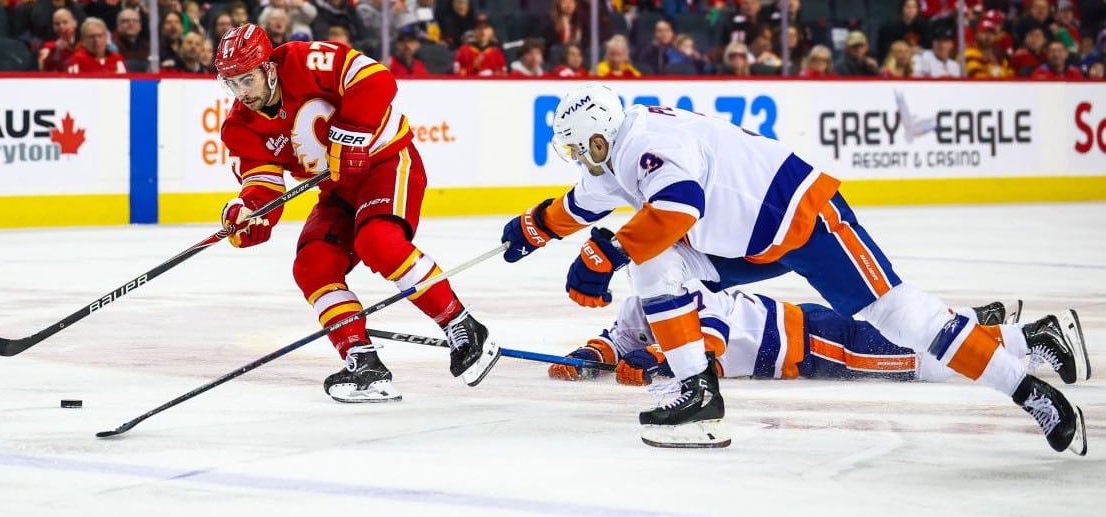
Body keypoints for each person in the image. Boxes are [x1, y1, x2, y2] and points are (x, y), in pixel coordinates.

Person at [498, 82, 1088, 455]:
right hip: (742, 236)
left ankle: (1027, 387)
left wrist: (607, 252)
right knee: (654, 265)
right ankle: (696, 392)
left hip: (800, 216)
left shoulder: (642, 143)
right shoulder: (616, 150)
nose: (579, 160)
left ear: (601, 138)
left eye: (581, 149)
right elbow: (583, 202)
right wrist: (532, 227)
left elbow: (679, 206)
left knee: (903, 318)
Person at [212, 24, 500, 403]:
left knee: (377, 242)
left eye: (247, 79)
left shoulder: (304, 60)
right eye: (231, 84)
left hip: (386, 162)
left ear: (268, 68)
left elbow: (376, 79)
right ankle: (363, 362)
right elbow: (263, 188)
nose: (241, 93)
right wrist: (250, 214)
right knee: (312, 265)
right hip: (338, 191)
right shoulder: (239, 127)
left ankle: (462, 326)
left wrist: (353, 132)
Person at [547, 284, 1087, 395]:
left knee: (916, 361)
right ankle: (989, 324)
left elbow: (702, 344)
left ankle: (1029, 338)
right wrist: (592, 354)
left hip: (814, 343)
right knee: (906, 342)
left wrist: (657, 363)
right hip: (806, 336)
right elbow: (623, 334)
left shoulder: (686, 294)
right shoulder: (648, 296)